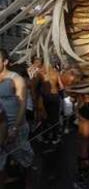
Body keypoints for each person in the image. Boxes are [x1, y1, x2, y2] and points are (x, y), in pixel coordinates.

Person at [0, 49, 34, 189]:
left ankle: (25, 182)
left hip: (16, 127)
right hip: (0, 126)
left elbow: (22, 105)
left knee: (22, 159)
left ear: (5, 62)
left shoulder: (16, 79)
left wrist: (15, 128)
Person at [30, 57, 62, 144]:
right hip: (55, 96)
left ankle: (46, 137)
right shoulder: (56, 72)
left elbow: (33, 87)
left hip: (44, 97)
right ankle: (55, 137)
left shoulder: (39, 73)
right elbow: (61, 87)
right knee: (55, 118)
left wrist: (35, 98)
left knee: (44, 118)